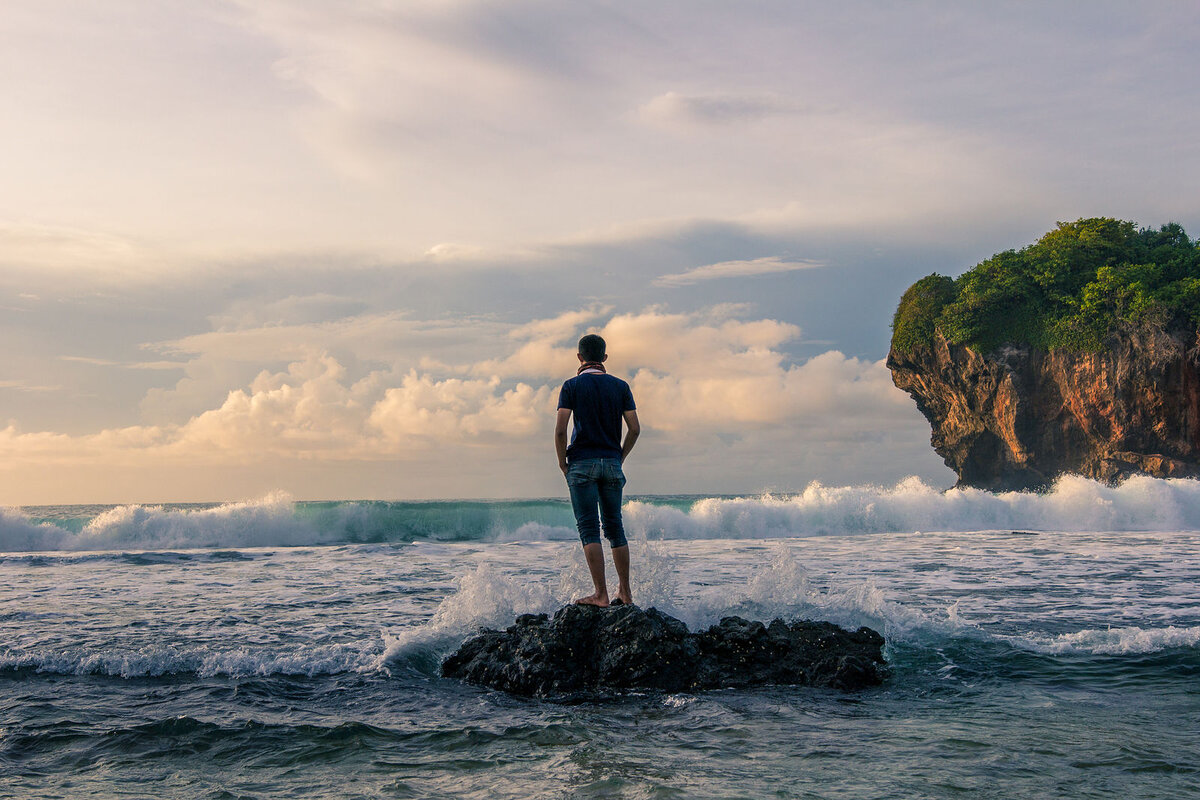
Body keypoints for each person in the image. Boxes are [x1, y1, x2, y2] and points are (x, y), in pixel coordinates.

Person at [555, 333, 640, 607]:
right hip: (612, 463)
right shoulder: (621, 386)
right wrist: (620, 456)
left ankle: (601, 594)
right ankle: (625, 593)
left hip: (581, 462)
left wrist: (562, 463)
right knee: (615, 528)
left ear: (579, 358)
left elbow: (560, 430)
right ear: (604, 358)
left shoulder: (571, 386)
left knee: (589, 528)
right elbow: (635, 428)